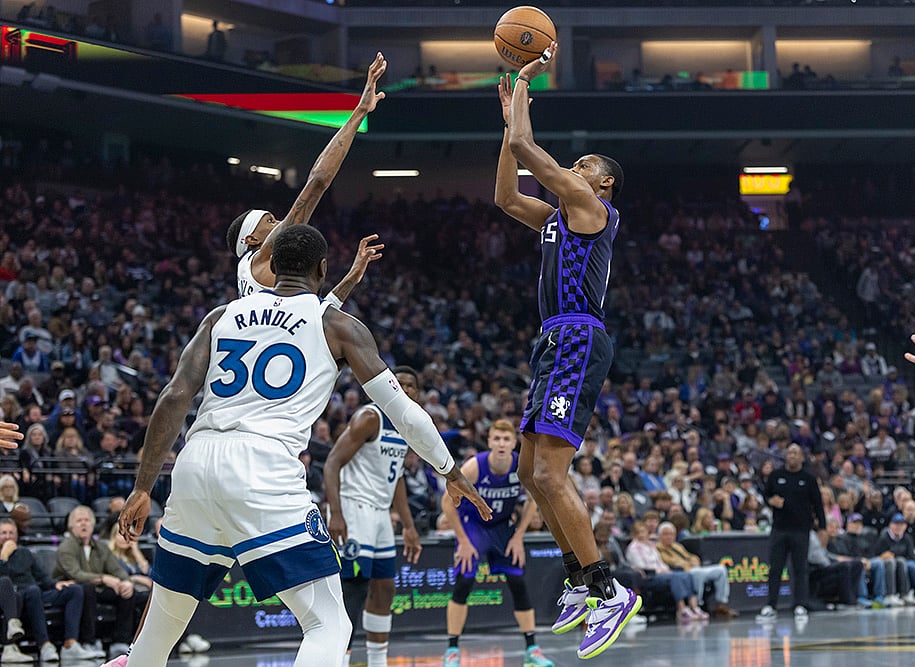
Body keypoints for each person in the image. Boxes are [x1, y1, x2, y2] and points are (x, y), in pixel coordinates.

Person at [107, 225, 490, 667]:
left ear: (273, 265)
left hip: (194, 463)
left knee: (164, 621)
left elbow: (173, 397)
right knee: (329, 624)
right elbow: (404, 413)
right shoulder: (337, 325)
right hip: (263, 466)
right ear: (322, 269)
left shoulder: (221, 315)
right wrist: (450, 471)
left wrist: (141, 488)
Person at [494, 43, 639, 660]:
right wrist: (509, 129)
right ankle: (583, 581)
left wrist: (522, 89)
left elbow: (531, 153)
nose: (572, 170)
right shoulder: (556, 216)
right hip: (554, 337)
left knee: (551, 473)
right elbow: (506, 194)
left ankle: (608, 589)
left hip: (578, 333)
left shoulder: (591, 208)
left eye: (582, 165)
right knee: (531, 474)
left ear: (602, 183)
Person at [228, 53, 388, 301]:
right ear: (251, 239)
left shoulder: (256, 281)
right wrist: (359, 112)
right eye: (269, 222)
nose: (280, 222)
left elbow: (320, 313)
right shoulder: (257, 259)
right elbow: (316, 184)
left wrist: (353, 276)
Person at [324, 366, 425, 667]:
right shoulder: (371, 418)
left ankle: (378, 662)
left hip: (380, 514)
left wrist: (408, 525)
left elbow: (397, 480)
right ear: (390, 386)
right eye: (401, 383)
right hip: (354, 508)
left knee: (385, 587)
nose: (406, 389)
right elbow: (331, 464)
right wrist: (337, 513)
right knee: (354, 589)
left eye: (412, 385)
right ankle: (337, 660)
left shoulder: (407, 425)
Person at [439, 420, 553, 667]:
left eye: (506, 439)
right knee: (465, 581)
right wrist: (463, 540)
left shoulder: (520, 464)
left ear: (514, 443)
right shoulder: (474, 466)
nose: (501, 444)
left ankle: (532, 649)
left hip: (502, 527)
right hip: (474, 525)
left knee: (518, 582)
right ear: (489, 441)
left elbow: (536, 498)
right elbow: (447, 502)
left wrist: (519, 535)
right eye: (497, 439)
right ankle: (452, 650)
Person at [0, 518, 98, 662]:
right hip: (15, 597)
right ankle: (45, 645)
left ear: (16, 535)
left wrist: (56, 585)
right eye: (3, 533)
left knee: (74, 590)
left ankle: (71, 644)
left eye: (11, 533)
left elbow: (42, 577)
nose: (8, 536)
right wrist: (3, 557)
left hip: (36, 594)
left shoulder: (25, 553)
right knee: (33, 590)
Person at [54, 506, 137, 658]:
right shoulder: (66, 547)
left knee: (127, 592)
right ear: (71, 526)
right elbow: (76, 574)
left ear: (93, 525)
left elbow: (117, 569)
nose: (83, 524)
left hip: (98, 589)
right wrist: (103, 578)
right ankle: (89, 641)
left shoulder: (101, 547)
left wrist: (126, 582)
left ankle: (120, 642)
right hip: (73, 590)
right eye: (79, 521)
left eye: (87, 520)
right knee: (87, 588)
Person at [757, 444, 825, 621]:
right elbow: (765, 495)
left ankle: (800, 604)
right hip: (779, 529)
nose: (792, 456)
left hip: (801, 530)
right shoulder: (776, 476)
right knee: (775, 568)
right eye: (790, 453)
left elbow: (818, 504)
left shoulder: (808, 478)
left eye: (796, 453)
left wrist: (822, 527)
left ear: (802, 457)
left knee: (800, 568)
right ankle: (771, 605)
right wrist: (771, 500)